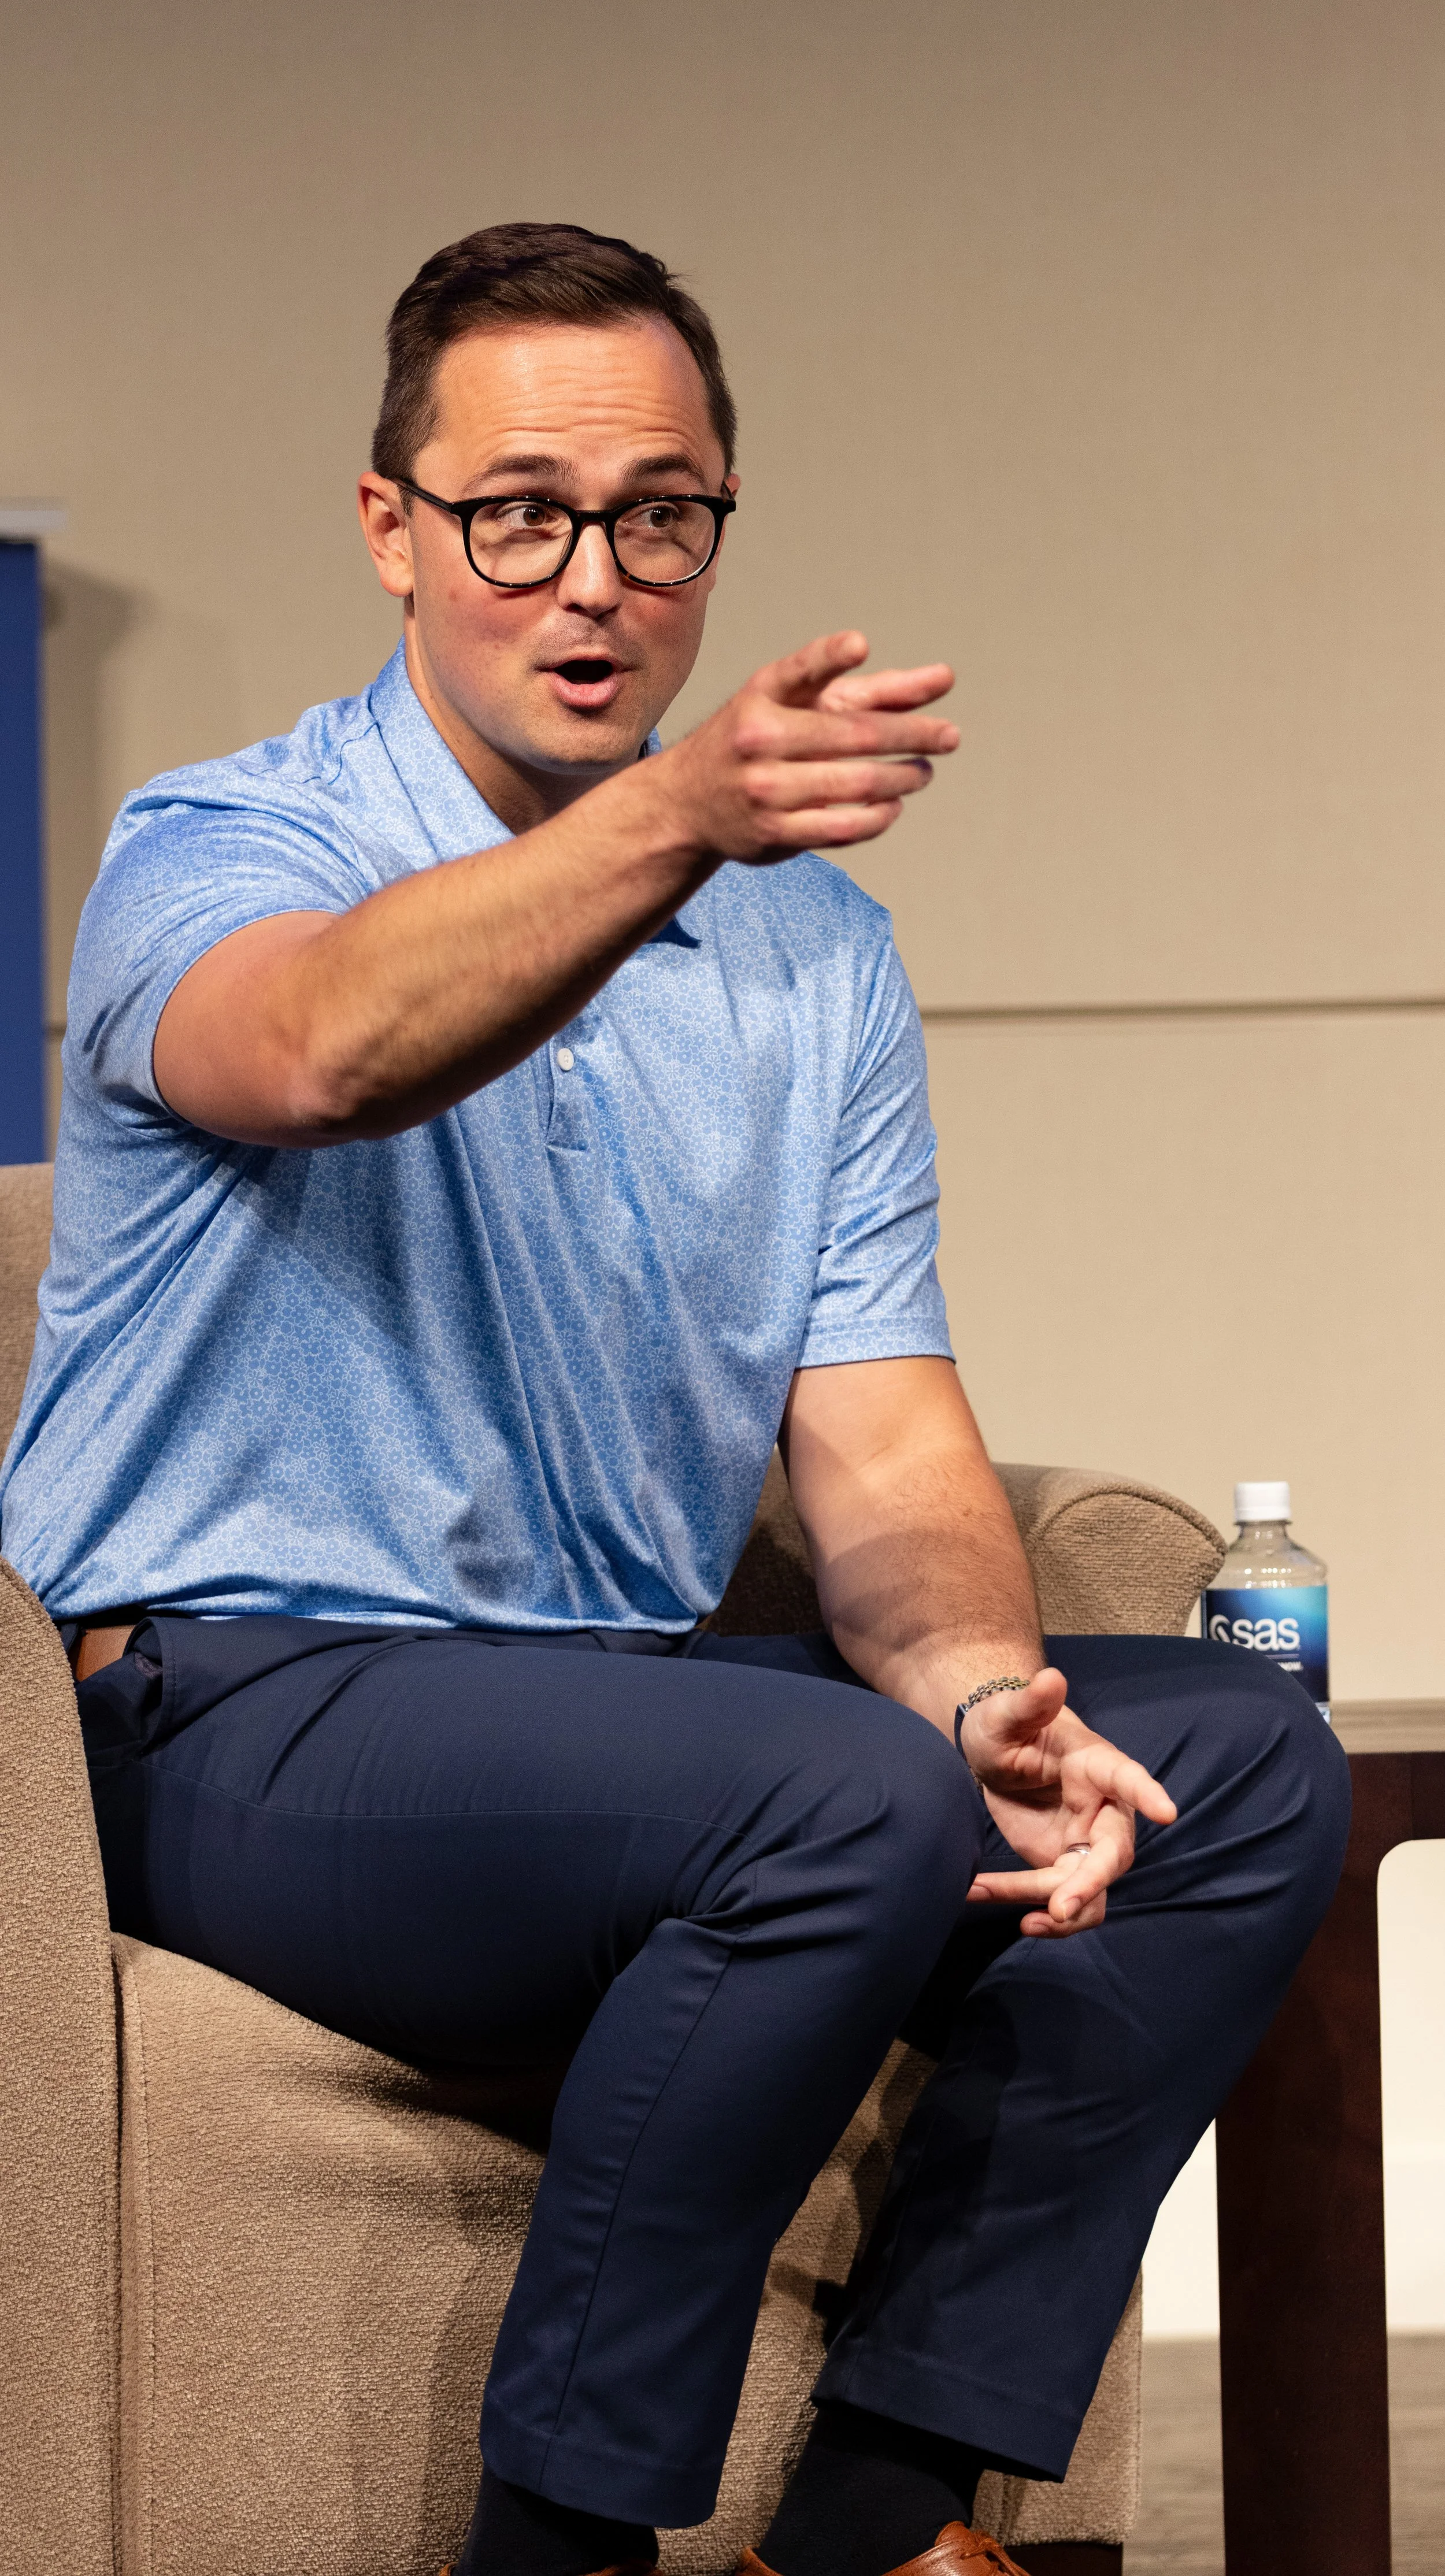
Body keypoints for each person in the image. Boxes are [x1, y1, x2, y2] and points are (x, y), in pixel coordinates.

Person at [0, 223, 1349, 2576]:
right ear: (389, 527)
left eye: (660, 514)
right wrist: (672, 824)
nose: (592, 577)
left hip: (611, 1727)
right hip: (237, 1716)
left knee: (1235, 1756)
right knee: (823, 1796)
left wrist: (975, 1683)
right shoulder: (227, 843)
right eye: (519, 508)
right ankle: (569, 2537)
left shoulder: (810, 953)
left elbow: (882, 1426)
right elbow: (317, 1044)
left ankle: (878, 2511)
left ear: (716, 525)